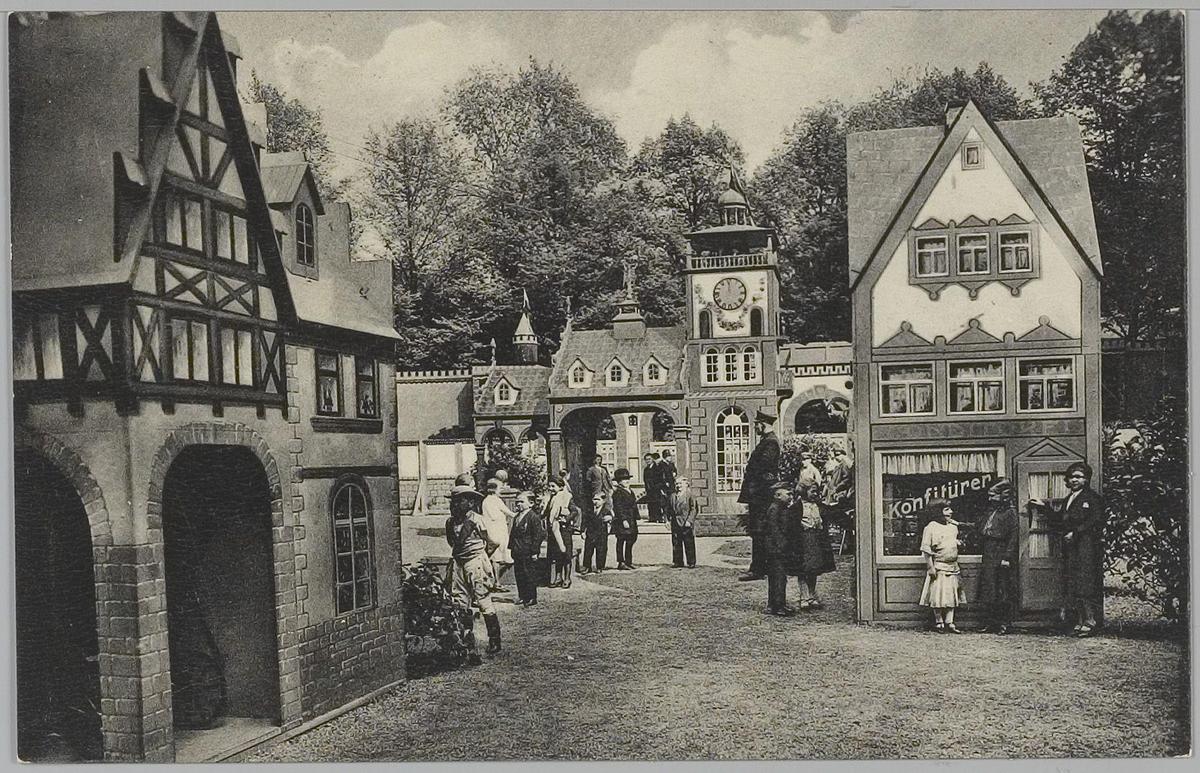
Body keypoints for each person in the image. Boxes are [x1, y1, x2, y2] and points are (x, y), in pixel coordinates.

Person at [1029, 462, 1104, 637]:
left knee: (1085, 583)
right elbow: (1059, 520)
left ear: (1086, 479)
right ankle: (1080, 620)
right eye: (1071, 477)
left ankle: (1090, 621)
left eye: (1079, 477)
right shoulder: (1070, 498)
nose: (1074, 480)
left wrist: (1076, 533)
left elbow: (1095, 521)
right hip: (1071, 548)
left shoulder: (1092, 498)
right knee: (1074, 583)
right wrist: (1043, 507)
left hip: (1086, 547)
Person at [445, 474, 502, 656]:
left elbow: (493, 542)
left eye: (459, 501)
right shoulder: (450, 522)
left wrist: (482, 556)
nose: (455, 505)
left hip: (475, 562)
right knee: (460, 602)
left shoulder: (477, 520)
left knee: (483, 600)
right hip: (459, 563)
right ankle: (467, 640)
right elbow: (452, 542)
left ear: (470, 502)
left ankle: (494, 640)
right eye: (453, 501)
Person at [737, 409, 780, 581]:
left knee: (759, 531)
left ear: (763, 424)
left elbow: (764, 467)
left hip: (761, 495)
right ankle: (761, 568)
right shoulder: (767, 441)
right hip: (759, 494)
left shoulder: (770, 443)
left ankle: (758, 570)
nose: (755, 427)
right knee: (759, 532)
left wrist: (753, 476)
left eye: (757, 425)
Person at [976, 480, 1020, 634]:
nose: (990, 499)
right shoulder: (991, 510)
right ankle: (991, 622)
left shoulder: (1010, 513)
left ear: (1003, 495)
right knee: (989, 589)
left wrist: (1007, 557)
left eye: (993, 495)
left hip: (1001, 552)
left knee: (1003, 589)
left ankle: (1004, 623)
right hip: (989, 551)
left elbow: (1013, 537)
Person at [918, 499, 966, 634]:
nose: (951, 512)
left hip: (953, 567)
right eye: (946, 510)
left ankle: (950, 622)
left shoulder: (953, 527)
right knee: (938, 596)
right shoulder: (931, 527)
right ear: (937, 512)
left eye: (950, 509)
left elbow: (950, 541)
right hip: (939, 567)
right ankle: (939, 621)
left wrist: (958, 543)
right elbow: (926, 549)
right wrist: (930, 567)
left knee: (951, 595)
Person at [793, 481, 836, 610]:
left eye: (817, 491)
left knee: (814, 569)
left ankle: (812, 595)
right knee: (803, 569)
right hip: (803, 540)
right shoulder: (796, 507)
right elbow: (791, 524)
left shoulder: (819, 506)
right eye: (812, 491)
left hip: (816, 539)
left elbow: (829, 516)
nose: (815, 494)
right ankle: (804, 597)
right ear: (803, 492)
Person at [763, 483, 798, 615]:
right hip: (776, 549)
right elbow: (774, 529)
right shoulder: (775, 509)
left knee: (777, 576)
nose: (790, 496)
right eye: (787, 494)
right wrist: (783, 545)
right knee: (778, 577)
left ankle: (774, 605)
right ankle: (778, 606)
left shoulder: (780, 507)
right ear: (777, 495)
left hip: (776, 548)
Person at [508, 491, 545, 607]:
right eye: (517, 502)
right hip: (518, 550)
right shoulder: (517, 517)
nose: (518, 504)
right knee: (519, 574)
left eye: (521, 502)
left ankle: (531, 597)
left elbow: (538, 536)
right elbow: (513, 534)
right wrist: (511, 547)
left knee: (529, 574)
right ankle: (522, 596)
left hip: (527, 551)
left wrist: (535, 551)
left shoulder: (533, 517)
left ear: (531, 503)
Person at [480, 478, 514, 591]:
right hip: (496, 530)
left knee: (499, 556)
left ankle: (494, 581)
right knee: (496, 556)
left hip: (497, 530)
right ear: (494, 489)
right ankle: (496, 582)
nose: (501, 490)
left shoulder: (490, 500)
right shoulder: (491, 501)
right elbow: (504, 514)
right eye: (500, 488)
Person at [543, 477, 575, 588]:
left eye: (553, 486)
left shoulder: (567, 497)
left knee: (566, 553)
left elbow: (575, 511)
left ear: (561, 487)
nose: (551, 488)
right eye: (549, 486)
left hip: (564, 529)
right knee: (556, 554)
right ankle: (558, 577)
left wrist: (566, 519)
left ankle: (567, 578)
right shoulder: (551, 498)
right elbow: (546, 512)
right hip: (553, 530)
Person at [666, 477, 699, 568]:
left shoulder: (690, 495)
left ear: (686, 484)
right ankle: (678, 562)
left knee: (689, 543)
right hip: (675, 523)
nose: (678, 486)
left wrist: (689, 521)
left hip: (686, 523)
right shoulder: (672, 496)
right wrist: (667, 520)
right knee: (676, 543)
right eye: (677, 484)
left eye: (680, 483)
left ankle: (691, 562)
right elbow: (668, 510)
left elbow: (694, 509)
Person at [611, 468, 639, 569]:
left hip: (631, 520)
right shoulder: (618, 492)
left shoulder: (630, 491)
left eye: (627, 479)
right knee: (621, 540)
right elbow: (618, 508)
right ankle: (621, 562)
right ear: (619, 482)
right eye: (623, 480)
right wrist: (623, 520)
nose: (626, 481)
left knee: (631, 539)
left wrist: (637, 516)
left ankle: (628, 561)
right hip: (622, 521)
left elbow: (634, 505)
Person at [581, 491, 611, 574]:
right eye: (594, 499)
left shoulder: (606, 511)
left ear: (603, 501)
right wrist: (582, 531)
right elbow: (584, 521)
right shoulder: (589, 510)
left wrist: (610, 518)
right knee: (588, 550)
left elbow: (614, 520)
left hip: (601, 534)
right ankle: (587, 567)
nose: (596, 502)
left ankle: (600, 567)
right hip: (590, 533)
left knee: (601, 550)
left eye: (598, 499)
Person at [642, 453, 663, 523]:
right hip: (649, 490)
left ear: (652, 459)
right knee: (650, 503)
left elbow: (660, 479)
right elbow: (645, 480)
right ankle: (652, 517)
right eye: (646, 459)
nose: (648, 461)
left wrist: (657, 487)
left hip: (656, 489)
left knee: (657, 503)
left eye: (649, 459)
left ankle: (659, 517)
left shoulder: (657, 468)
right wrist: (647, 488)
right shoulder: (646, 469)